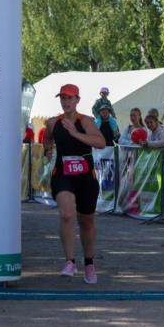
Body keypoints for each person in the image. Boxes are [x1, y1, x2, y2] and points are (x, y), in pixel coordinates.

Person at [43, 83, 106, 284]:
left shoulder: (85, 121)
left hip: (86, 177)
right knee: (67, 215)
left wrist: (75, 133)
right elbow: (47, 139)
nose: (66, 102)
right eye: (63, 98)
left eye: (70, 98)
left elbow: (101, 143)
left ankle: (89, 263)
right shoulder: (53, 122)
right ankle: (70, 261)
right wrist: (47, 150)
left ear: (77, 100)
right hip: (63, 174)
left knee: (86, 221)